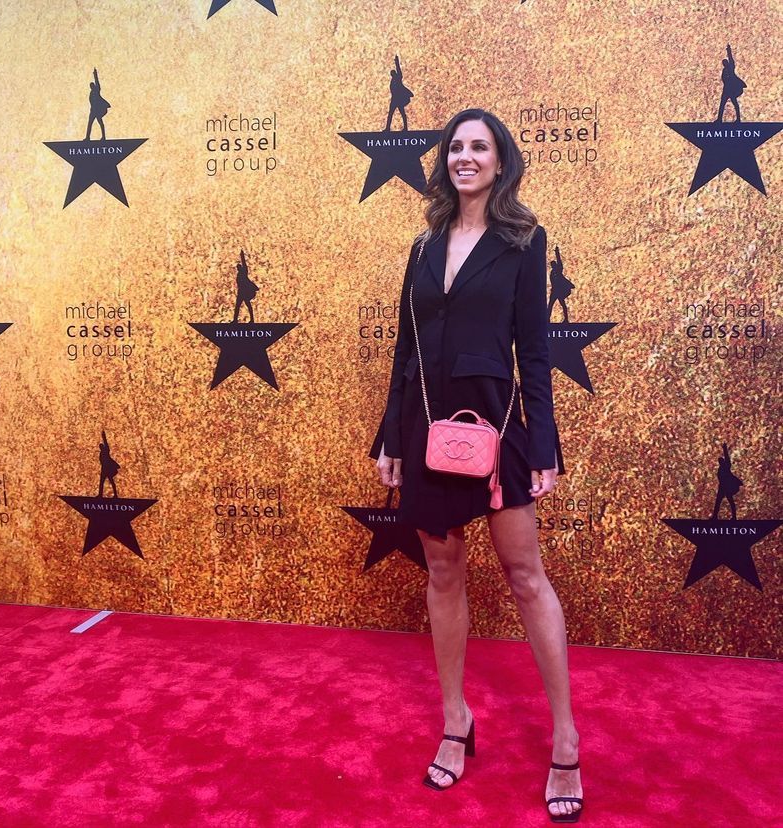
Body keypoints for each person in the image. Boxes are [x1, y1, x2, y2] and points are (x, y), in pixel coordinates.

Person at [369, 108, 582, 822]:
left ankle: (565, 737)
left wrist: (543, 443)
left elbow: (535, 351)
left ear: (500, 161)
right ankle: (455, 719)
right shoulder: (423, 244)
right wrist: (390, 437)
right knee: (443, 572)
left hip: (496, 424)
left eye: (479, 147)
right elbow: (405, 351)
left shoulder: (524, 240)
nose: (466, 157)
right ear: (446, 162)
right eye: (456, 147)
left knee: (525, 575)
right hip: (425, 425)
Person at [711, 442, 742, 520]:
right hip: (723, 486)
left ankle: (734, 517)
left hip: (727, 486)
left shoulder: (726, 466)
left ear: (723, 461)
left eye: (721, 461)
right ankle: (715, 516)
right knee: (718, 502)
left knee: (729, 501)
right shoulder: (720, 469)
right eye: (719, 461)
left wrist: (725, 449)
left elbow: (727, 457)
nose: (720, 462)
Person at [716, 44, 746, 123]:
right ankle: (719, 119)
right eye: (723, 63)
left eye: (725, 62)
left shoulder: (731, 67)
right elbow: (723, 79)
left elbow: (731, 58)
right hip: (726, 89)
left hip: (732, 89)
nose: (725, 64)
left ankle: (738, 119)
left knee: (735, 103)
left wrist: (728, 50)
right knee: (722, 104)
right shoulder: (724, 70)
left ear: (727, 63)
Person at [385, 55, 413, 132]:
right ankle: (387, 128)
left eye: (394, 73)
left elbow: (399, 69)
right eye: (392, 73)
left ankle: (405, 128)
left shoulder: (398, 78)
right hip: (394, 99)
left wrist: (397, 62)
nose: (393, 74)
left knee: (402, 114)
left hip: (399, 99)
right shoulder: (392, 81)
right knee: (390, 114)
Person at [547, 245, 574, 322]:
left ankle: (566, 319)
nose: (553, 265)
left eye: (554, 264)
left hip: (559, 291)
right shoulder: (552, 273)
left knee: (562, 304)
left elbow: (559, 260)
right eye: (552, 265)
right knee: (550, 305)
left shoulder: (559, 269)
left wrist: (557, 252)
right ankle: (547, 319)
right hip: (554, 291)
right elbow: (552, 282)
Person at [85, 68, 111, 142]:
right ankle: (87, 137)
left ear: (94, 86)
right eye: (90, 86)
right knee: (90, 124)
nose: (92, 87)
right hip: (93, 111)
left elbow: (97, 81)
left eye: (92, 85)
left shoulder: (97, 90)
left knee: (100, 122)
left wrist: (95, 74)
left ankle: (103, 137)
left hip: (98, 110)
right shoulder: (91, 93)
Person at [233, 249, 259, 323]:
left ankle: (252, 319)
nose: (238, 268)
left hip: (245, 292)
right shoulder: (239, 275)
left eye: (239, 267)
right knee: (238, 306)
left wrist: (242, 255)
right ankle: (235, 320)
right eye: (237, 267)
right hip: (241, 292)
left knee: (247, 305)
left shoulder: (244, 272)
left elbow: (244, 263)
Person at [97, 431, 120, 498]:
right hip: (104, 469)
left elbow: (106, 442)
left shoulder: (106, 450)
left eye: (102, 446)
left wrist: (103, 436)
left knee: (111, 482)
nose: (101, 447)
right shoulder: (101, 453)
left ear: (103, 447)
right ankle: (100, 495)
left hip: (108, 469)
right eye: (100, 447)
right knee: (102, 482)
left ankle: (115, 495)